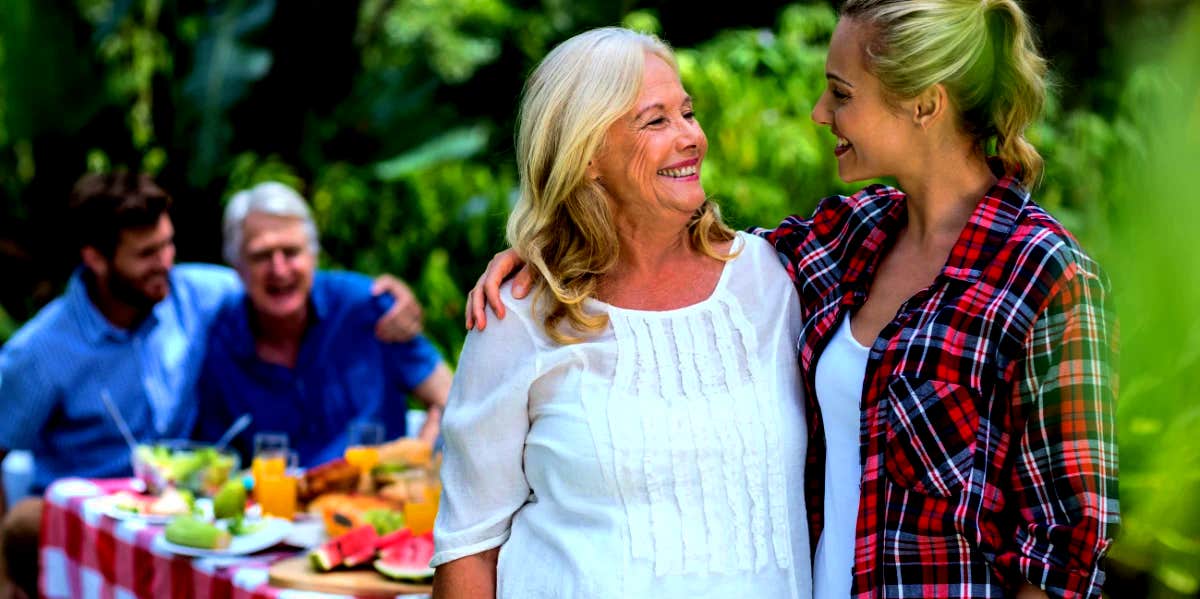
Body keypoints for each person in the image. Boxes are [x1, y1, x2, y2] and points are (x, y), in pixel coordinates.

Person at [468, 2, 1119, 598]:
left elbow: (1067, 547)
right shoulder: (848, 241)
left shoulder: (1047, 277)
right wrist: (550, 247)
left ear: (925, 104)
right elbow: (678, 256)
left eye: (841, 94)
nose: (819, 112)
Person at [432, 28, 813, 599]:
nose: (690, 137)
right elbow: (468, 546)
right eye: (655, 121)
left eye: (687, 113)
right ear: (585, 156)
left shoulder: (773, 279)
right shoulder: (519, 314)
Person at [0, 172, 422, 599]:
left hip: (187, 518)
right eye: (146, 254)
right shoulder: (39, 352)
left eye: (168, 244)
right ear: (95, 258)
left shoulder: (196, 292)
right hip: (87, 522)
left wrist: (388, 297)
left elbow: (288, 281)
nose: (165, 262)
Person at [193, 182, 452, 467]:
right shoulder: (222, 341)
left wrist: (416, 462)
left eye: (291, 252)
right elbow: (215, 459)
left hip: (375, 505)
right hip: (273, 508)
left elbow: (450, 399)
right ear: (237, 267)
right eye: (261, 256)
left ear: (313, 255)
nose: (279, 270)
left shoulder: (367, 306)